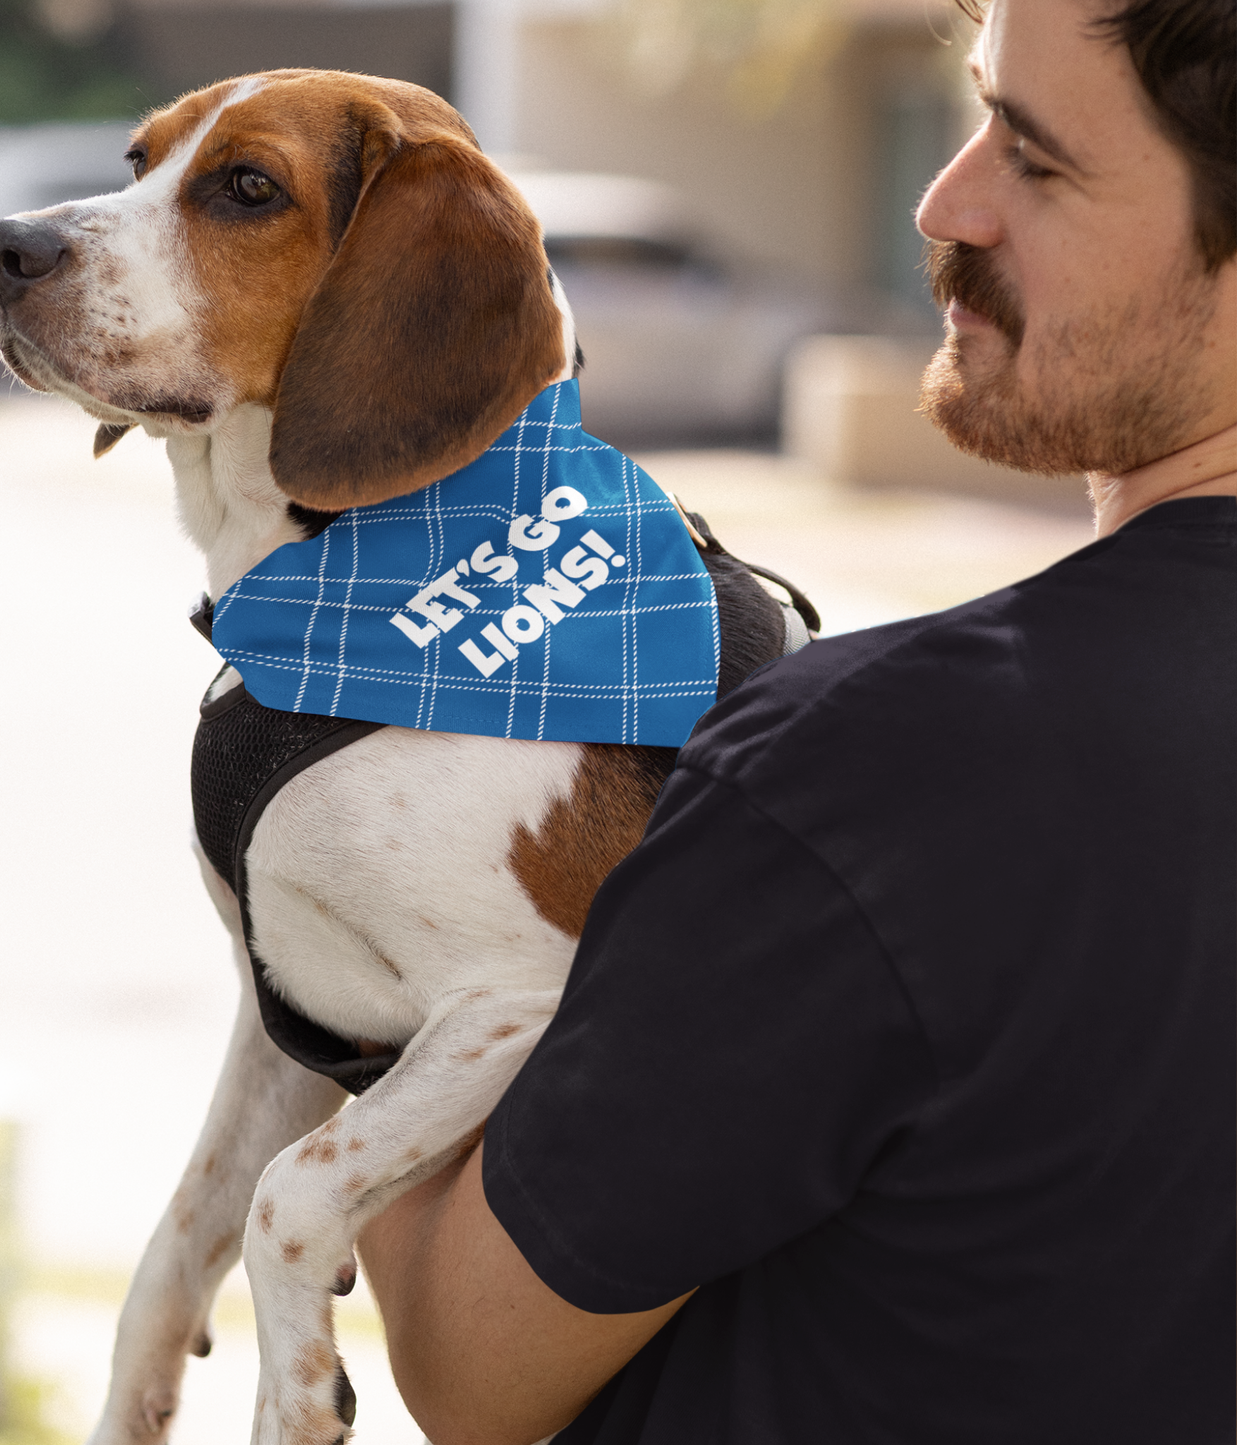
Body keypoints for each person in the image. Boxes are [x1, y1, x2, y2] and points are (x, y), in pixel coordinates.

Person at [357, 0, 1237, 1439]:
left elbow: (468, 1365)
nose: (945, 198)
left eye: (1035, 154)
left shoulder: (886, 771)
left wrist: (357, 865)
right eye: (974, 112)